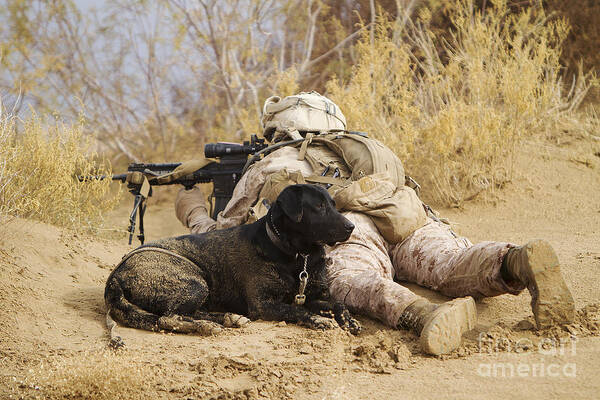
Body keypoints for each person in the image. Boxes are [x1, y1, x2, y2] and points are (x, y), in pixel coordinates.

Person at [174, 92, 575, 355]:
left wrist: (192, 208)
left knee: (352, 280)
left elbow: (226, 238)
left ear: (282, 129)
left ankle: (422, 314)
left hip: (344, 227)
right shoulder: (359, 151)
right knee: (451, 261)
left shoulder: (273, 163)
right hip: (403, 216)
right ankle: (514, 261)